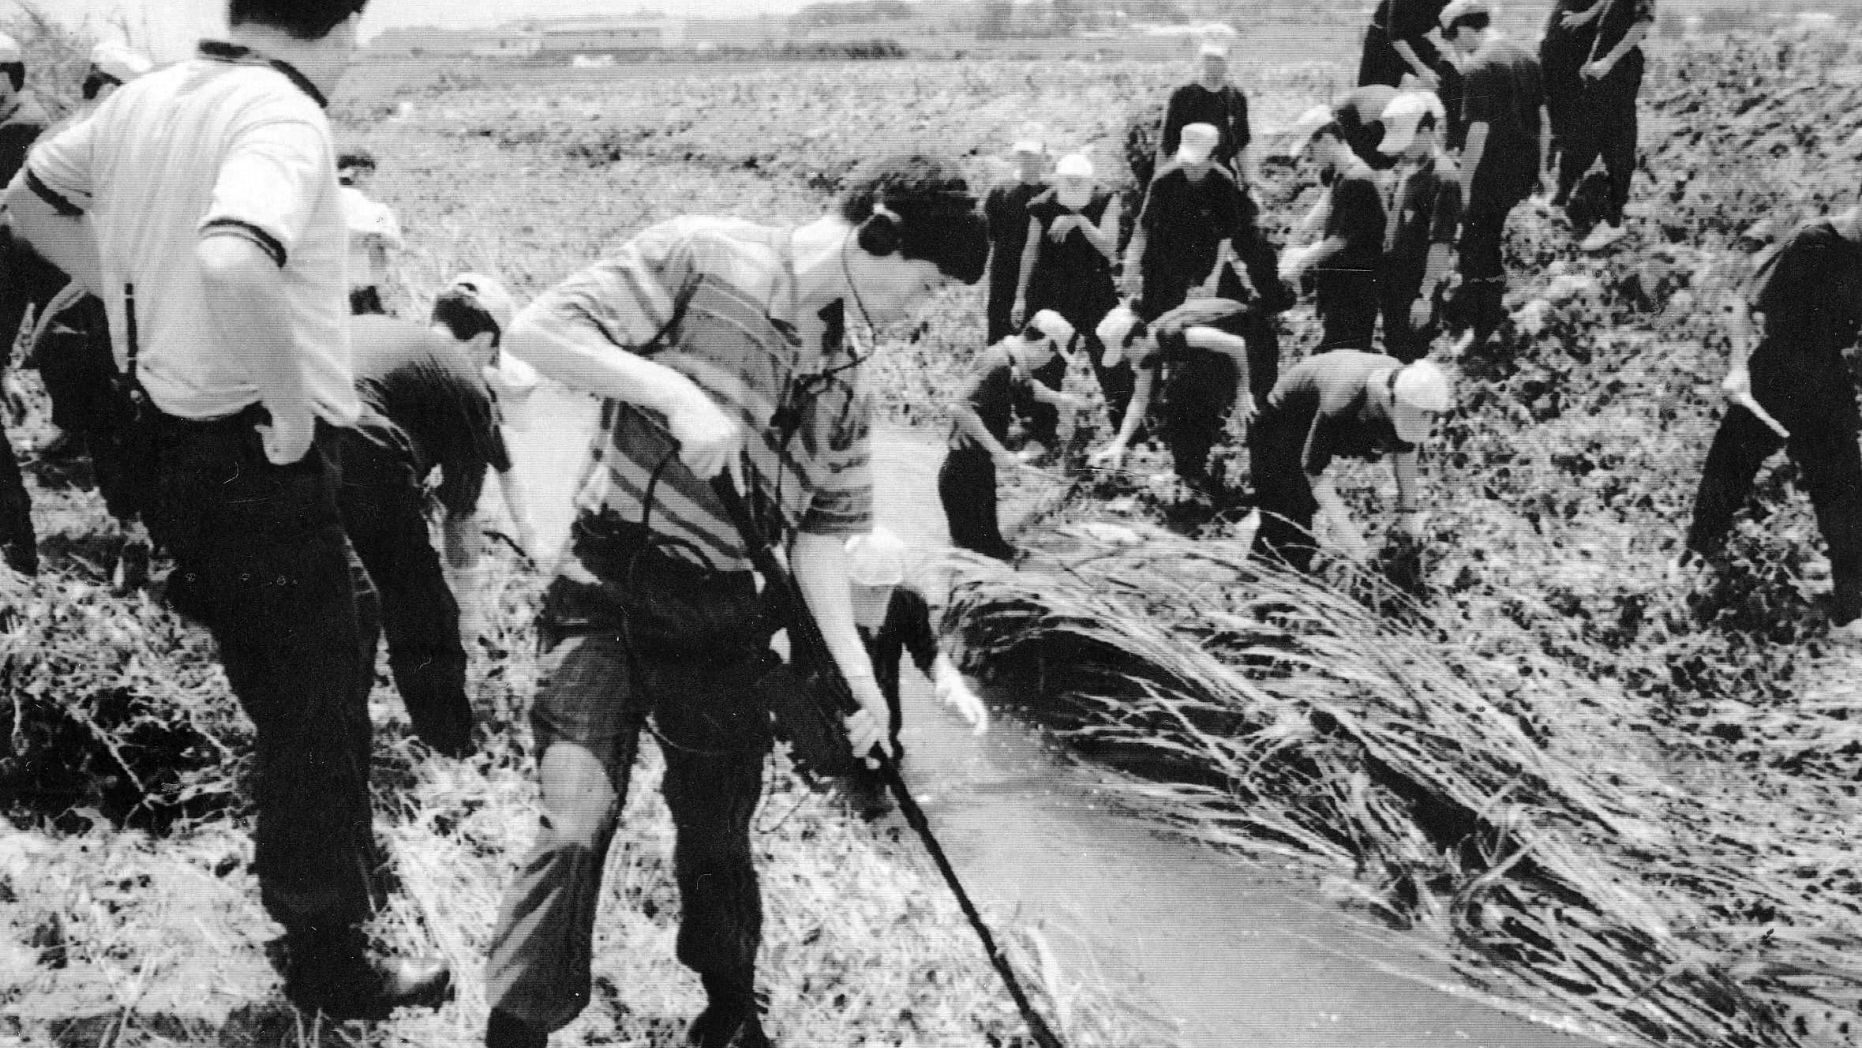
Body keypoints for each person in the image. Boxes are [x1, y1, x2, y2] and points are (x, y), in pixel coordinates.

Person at [479, 154, 991, 1048]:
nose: (920, 307)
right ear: (880, 235)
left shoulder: (847, 380)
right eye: (925, 283)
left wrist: (856, 681)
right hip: (607, 589)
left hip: (721, 617)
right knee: (575, 825)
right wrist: (673, 393)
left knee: (719, 832)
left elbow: (820, 543)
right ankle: (518, 1029)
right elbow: (537, 331)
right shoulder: (702, 254)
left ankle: (728, 1014)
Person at [8, 0, 452, 1018]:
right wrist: (291, 408)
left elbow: (28, 201)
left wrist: (129, 282)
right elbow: (231, 256)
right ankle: (327, 952)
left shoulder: (149, 97)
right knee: (311, 698)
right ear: (342, 27)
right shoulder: (282, 115)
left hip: (169, 436)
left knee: (328, 642)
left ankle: (328, 862)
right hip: (253, 448)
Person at [337, 273, 535, 759]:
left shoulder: (380, 330)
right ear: (484, 342)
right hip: (356, 442)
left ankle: (329, 744)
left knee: (339, 595)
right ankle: (449, 745)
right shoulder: (465, 380)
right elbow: (461, 519)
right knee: (420, 606)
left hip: (276, 437)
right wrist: (467, 614)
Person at [1684, 209, 1862, 640]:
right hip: (1778, 367)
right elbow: (1744, 302)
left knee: (1844, 493)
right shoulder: (1811, 241)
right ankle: (1693, 559)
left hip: (1827, 377)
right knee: (1728, 467)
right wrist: (1738, 368)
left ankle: (1851, 608)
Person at [800, 528, 990, 818]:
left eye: (886, 588)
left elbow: (928, 652)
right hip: (817, 732)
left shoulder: (905, 601)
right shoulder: (806, 596)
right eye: (869, 589)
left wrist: (952, 684)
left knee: (885, 809)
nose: (879, 596)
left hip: (882, 732)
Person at [1249, 353, 1451, 572]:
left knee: (1302, 510)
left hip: (1332, 414)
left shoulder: (1410, 388)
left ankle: (1278, 553)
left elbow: (1406, 451)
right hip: (1282, 420)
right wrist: (1351, 538)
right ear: (1386, 401)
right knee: (1287, 509)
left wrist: (1408, 513)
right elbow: (1313, 470)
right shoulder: (1341, 399)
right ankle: (1263, 570)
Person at [941, 312, 1088, 562]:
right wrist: (999, 452)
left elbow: (1028, 388)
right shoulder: (997, 363)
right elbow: (958, 406)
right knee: (971, 558)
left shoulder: (1013, 361)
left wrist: (1062, 399)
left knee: (993, 550)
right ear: (1045, 344)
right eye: (1053, 355)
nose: (1051, 361)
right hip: (963, 474)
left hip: (979, 469)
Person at [1440, 0, 1544, 354]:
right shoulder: (1527, 57)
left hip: (1490, 173)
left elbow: (1477, 133)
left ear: (1463, 30)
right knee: (1490, 242)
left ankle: (1482, 327)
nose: (1457, 49)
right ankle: (1483, 307)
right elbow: (1543, 120)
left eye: (1454, 40)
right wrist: (1541, 170)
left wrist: (1464, 187)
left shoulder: (1479, 66)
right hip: (1523, 170)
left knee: (1476, 248)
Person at [1089, 298, 1260, 495]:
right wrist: (1119, 444)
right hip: (1223, 352)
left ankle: (1256, 485)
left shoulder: (1176, 334)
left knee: (1255, 413)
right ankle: (1191, 473)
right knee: (1179, 400)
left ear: (1135, 342)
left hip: (1253, 340)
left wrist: (1243, 391)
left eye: (1125, 356)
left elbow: (1237, 345)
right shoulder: (1148, 347)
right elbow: (1140, 399)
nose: (1127, 362)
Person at [1124, 123, 1287, 329]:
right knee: (1156, 317)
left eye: (1196, 164)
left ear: (1213, 158)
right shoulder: (1164, 180)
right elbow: (1143, 228)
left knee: (1234, 309)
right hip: (1167, 249)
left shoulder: (1223, 181)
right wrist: (1131, 266)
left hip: (1205, 248)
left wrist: (1214, 276)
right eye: (1186, 163)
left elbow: (1226, 233)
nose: (1190, 169)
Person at [1012, 152, 1121, 444]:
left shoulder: (1106, 199)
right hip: (1052, 288)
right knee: (1046, 361)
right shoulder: (1042, 204)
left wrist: (1080, 222)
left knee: (1110, 354)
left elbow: (1109, 248)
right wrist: (1020, 296)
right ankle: (1041, 436)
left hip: (1095, 287)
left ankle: (1128, 436)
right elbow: (1030, 250)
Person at [1544, 0, 1656, 251]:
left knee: (1618, 141)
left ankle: (1613, 220)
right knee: (1584, 135)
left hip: (1620, 69)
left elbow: (1642, 22)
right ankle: (1560, 200)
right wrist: (1586, 17)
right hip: (1603, 66)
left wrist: (1608, 61)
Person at [1280, 117, 1386, 353]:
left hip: (1355, 285)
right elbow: (1327, 200)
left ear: (1327, 140)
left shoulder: (1357, 180)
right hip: (1341, 280)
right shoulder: (1344, 172)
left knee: (1346, 349)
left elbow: (1340, 239)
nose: (1309, 156)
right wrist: (1299, 235)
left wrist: (1301, 263)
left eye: (1311, 148)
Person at [1376, 91, 1461, 363]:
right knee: (1392, 349)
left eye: (1407, 142)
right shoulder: (1411, 165)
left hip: (1417, 284)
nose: (1402, 151)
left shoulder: (1443, 177)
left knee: (1410, 358)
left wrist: (1425, 296)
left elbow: (1441, 242)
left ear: (1425, 132)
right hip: (1395, 277)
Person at [1356, 0, 1464, 147]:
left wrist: (1459, 61)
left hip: (1416, 38)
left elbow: (1452, 26)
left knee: (1452, 79)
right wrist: (1422, 70)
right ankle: (1371, 148)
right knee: (1371, 103)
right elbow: (1395, 36)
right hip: (1383, 39)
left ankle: (1453, 144)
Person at [1155, 40, 1254, 183]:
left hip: (1221, 176)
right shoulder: (1183, 95)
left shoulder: (1236, 97)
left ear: (1228, 60)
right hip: (1186, 174)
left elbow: (1241, 146)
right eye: (1208, 58)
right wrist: (1158, 182)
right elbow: (1166, 144)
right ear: (1201, 60)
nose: (1212, 64)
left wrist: (1248, 182)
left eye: (1218, 59)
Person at [983, 137, 1047, 343]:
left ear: (1043, 157)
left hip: (1040, 272)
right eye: (1023, 155)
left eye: (1032, 155)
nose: (1027, 160)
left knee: (1037, 333)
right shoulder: (1000, 190)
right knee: (999, 330)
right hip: (1004, 271)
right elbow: (990, 233)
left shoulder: (1050, 191)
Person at [339, 148, 402, 315]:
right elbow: (387, 235)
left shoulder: (377, 212)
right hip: (359, 290)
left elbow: (385, 233)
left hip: (340, 289)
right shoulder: (376, 211)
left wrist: (374, 234)